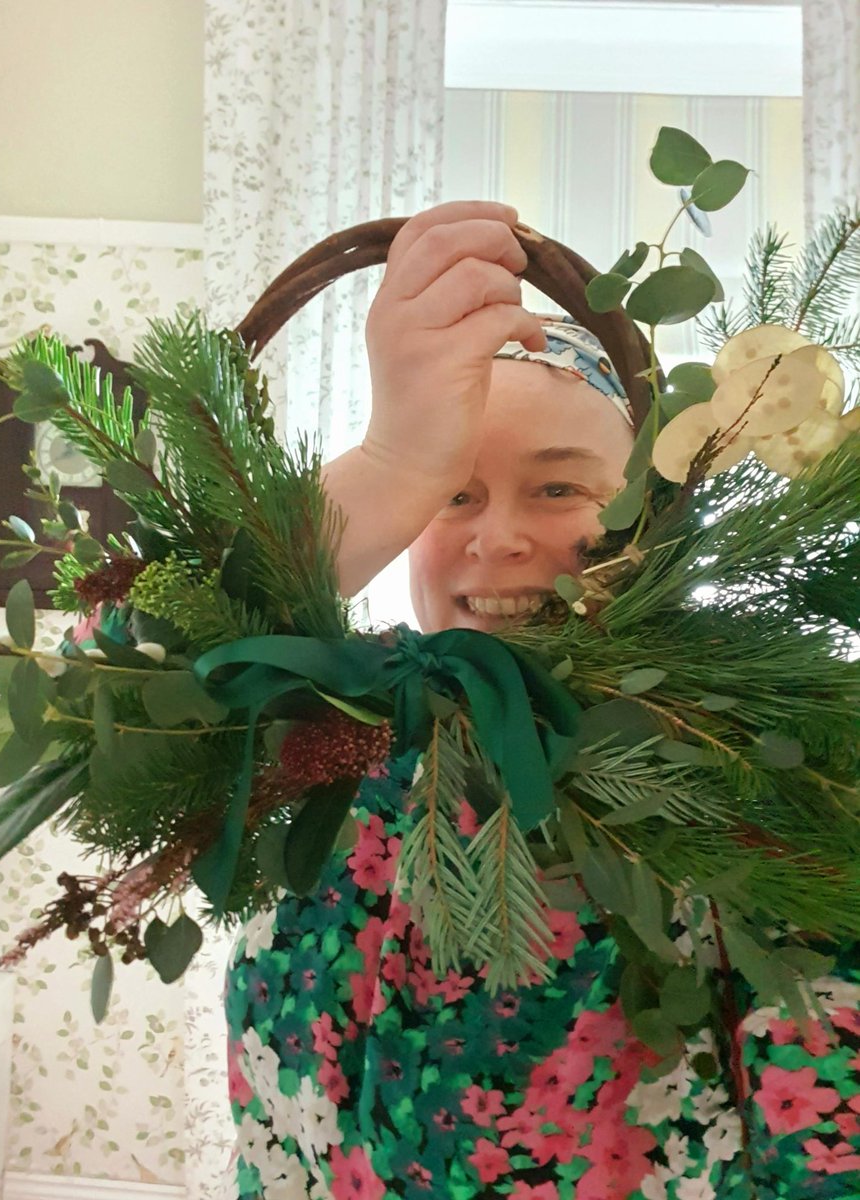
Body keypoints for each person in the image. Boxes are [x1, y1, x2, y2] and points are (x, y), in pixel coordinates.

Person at [224, 203, 860, 1199]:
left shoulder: (748, 771)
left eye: (560, 490)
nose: (497, 539)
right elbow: (120, 666)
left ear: (649, 518)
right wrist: (394, 463)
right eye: (452, 494)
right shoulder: (330, 718)